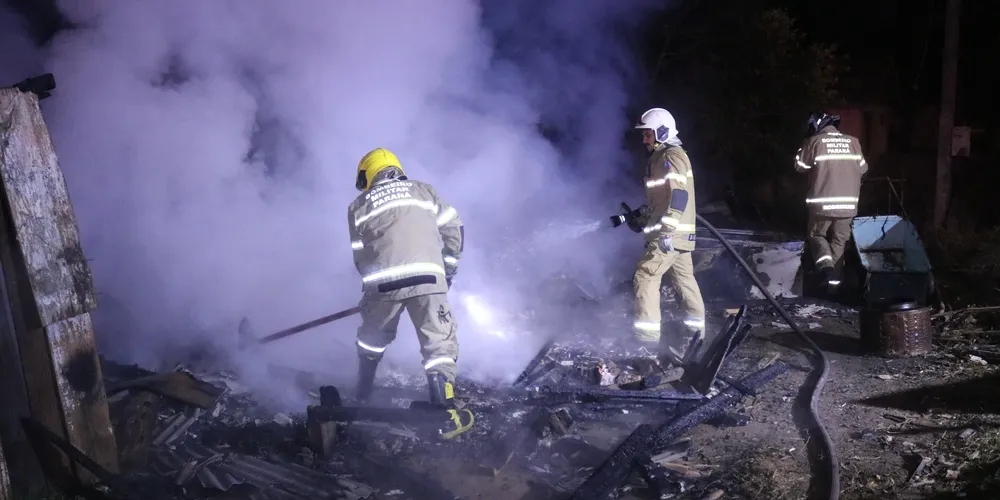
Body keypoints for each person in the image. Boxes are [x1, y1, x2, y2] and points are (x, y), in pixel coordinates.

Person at [347, 147, 473, 439]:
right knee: (438, 344)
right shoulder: (424, 191)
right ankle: (447, 414)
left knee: (371, 340)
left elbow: (360, 256)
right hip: (429, 277)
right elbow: (455, 229)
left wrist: (371, 293)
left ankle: (363, 392)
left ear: (367, 176)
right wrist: (448, 269)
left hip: (383, 283)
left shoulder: (357, 207)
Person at [628, 108, 706, 360]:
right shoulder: (660, 157)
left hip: (669, 235)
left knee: (645, 276)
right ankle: (696, 337)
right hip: (674, 235)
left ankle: (646, 344)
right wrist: (640, 218)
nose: (645, 140)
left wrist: (667, 230)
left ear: (662, 131)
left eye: (648, 134)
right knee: (685, 282)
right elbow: (661, 201)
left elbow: (679, 194)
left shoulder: (671, 156)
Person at [794, 112, 868, 294]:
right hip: (848, 206)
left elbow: (800, 167)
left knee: (816, 236)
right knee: (839, 242)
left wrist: (803, 146)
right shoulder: (854, 142)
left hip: (822, 204)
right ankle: (833, 289)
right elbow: (864, 169)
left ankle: (825, 268)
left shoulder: (814, 141)